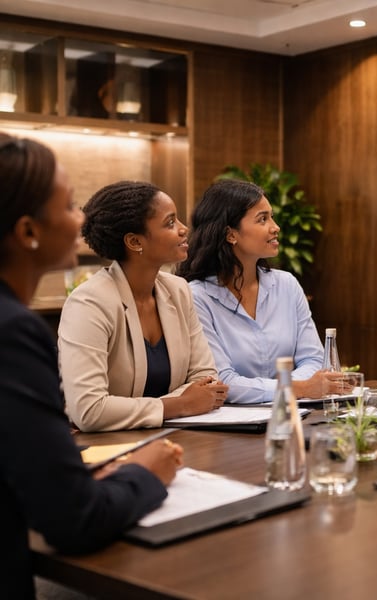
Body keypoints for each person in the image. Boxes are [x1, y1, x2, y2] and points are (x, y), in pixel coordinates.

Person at [0, 132, 183, 599]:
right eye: (69, 206)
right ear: (27, 231)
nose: (82, 218)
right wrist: (144, 472)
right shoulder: (13, 334)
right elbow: (74, 519)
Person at [58, 180, 228, 432]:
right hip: (106, 446)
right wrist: (180, 405)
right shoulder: (89, 303)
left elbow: (206, 379)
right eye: (170, 223)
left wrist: (183, 403)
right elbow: (89, 410)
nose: (184, 229)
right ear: (135, 242)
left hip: (173, 436)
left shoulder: (178, 290)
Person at [176, 179, 332, 403]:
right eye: (262, 219)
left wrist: (297, 388)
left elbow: (314, 360)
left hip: (295, 412)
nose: (275, 227)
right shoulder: (196, 297)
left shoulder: (287, 285)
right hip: (230, 421)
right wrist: (296, 388)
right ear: (231, 234)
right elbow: (221, 381)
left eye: (272, 216)